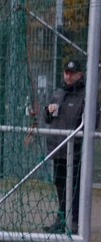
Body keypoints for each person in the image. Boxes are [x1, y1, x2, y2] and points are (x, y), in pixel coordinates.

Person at [43, 59, 87, 233]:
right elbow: (47, 118)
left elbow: (93, 121)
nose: (68, 76)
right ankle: (62, 220)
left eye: (72, 73)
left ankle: (74, 222)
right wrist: (48, 111)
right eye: (66, 72)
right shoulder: (58, 93)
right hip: (58, 148)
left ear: (79, 74)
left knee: (74, 186)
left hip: (75, 150)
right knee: (60, 184)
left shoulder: (85, 95)